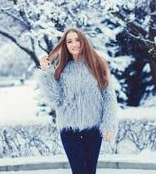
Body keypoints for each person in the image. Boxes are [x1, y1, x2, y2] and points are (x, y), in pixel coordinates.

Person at [37, 27, 118, 174]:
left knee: (90, 171)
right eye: (69, 41)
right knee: (79, 171)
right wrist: (46, 72)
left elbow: (109, 97)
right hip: (69, 129)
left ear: (83, 42)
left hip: (93, 127)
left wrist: (109, 124)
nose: (74, 44)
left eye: (77, 40)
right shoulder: (61, 68)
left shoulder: (98, 65)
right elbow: (56, 98)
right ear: (65, 45)